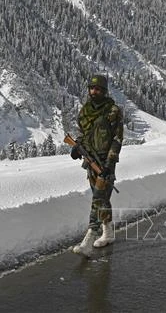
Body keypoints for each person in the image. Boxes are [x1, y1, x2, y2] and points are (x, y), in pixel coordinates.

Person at [70, 74, 124, 254]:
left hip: (106, 161)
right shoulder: (84, 111)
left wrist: (109, 163)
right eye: (92, 88)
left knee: (98, 197)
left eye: (99, 89)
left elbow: (117, 139)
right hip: (90, 160)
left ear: (105, 91)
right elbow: (82, 134)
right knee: (101, 198)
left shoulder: (113, 111)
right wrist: (77, 148)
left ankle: (91, 235)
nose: (95, 91)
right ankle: (108, 233)